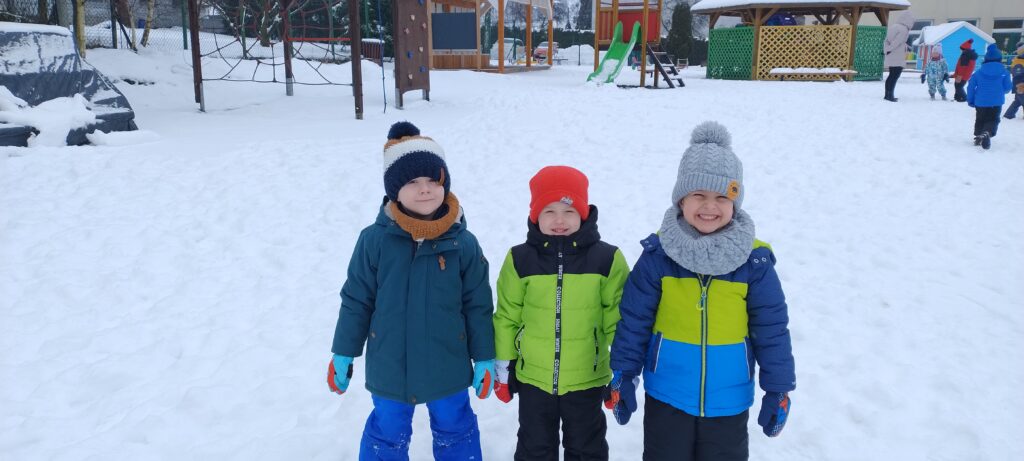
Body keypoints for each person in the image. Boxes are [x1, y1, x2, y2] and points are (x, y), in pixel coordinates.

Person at [607, 122, 796, 461]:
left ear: (735, 202)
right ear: (681, 199)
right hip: (667, 393)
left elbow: (771, 329)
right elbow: (634, 320)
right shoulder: (659, 256)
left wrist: (778, 389)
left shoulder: (754, 262)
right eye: (699, 195)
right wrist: (624, 373)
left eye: (722, 197)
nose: (710, 207)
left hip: (729, 399)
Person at [328, 121, 497, 460]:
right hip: (391, 363)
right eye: (412, 182)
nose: (425, 190)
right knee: (387, 431)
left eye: (433, 181)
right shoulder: (374, 241)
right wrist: (343, 352)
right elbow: (357, 300)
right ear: (394, 190)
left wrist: (484, 356)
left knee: (455, 427)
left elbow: (477, 305)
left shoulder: (463, 243)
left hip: (447, 362)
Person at [492, 165, 630, 461]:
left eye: (568, 211)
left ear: (583, 213)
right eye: (549, 211)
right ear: (535, 215)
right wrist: (504, 366)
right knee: (534, 448)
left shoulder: (607, 259)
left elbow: (618, 319)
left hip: (587, 378)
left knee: (587, 449)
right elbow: (507, 317)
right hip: (533, 378)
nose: (559, 220)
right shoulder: (520, 259)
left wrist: (622, 371)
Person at [967, 44, 1013, 150]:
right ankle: (987, 132)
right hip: (996, 102)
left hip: (980, 102)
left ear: (986, 59)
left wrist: (970, 100)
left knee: (980, 119)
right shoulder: (1004, 72)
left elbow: (971, 87)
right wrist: (999, 91)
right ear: (1000, 59)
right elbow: (1008, 88)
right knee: (993, 119)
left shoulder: (978, 72)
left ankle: (979, 135)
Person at [883, 10, 915, 102]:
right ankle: (890, 95)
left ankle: (887, 95)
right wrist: (890, 49)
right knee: (894, 76)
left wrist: (886, 49)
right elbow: (898, 42)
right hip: (898, 56)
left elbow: (886, 40)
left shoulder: (893, 27)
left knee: (891, 75)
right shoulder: (904, 29)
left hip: (891, 55)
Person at [1002, 42, 1024, 119]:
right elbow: (1018, 76)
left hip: (1020, 86)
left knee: (1017, 101)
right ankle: (1008, 115)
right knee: (1020, 100)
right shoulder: (1018, 62)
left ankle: (1009, 115)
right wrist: (1020, 86)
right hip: (1020, 86)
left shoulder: (1020, 61)